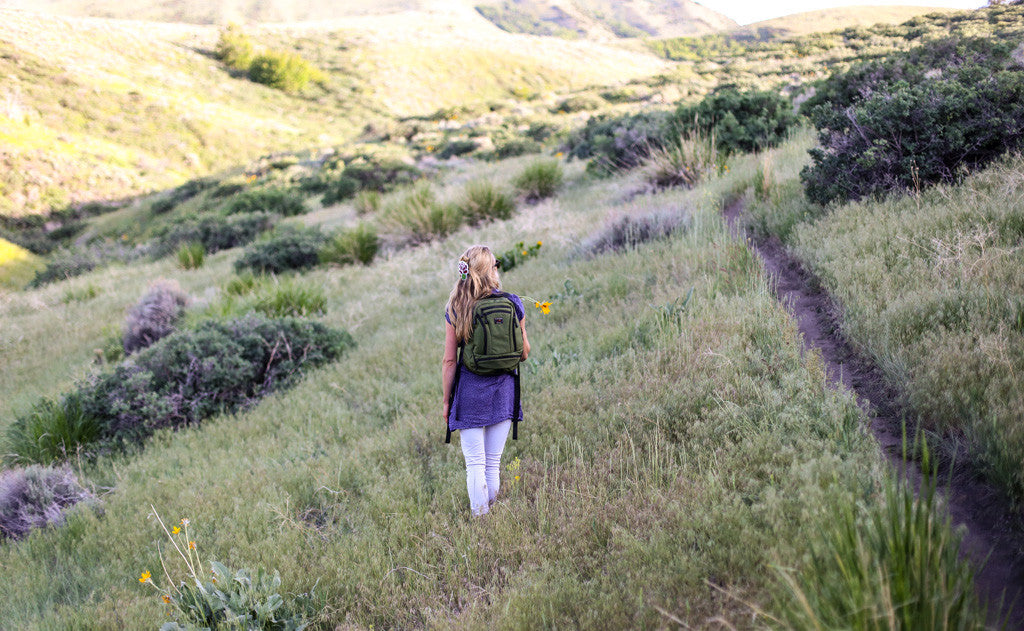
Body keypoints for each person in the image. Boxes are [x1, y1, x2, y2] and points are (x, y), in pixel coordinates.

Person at [442, 245, 530, 516]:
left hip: (469, 393)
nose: (497, 269)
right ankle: (490, 520)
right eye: (495, 265)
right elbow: (524, 352)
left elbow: (449, 361)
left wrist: (447, 402)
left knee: (475, 464)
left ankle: (480, 523)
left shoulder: (457, 307)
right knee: (493, 463)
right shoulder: (513, 302)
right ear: (489, 271)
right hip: (504, 390)